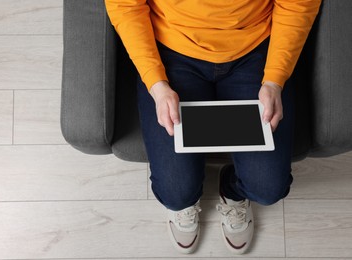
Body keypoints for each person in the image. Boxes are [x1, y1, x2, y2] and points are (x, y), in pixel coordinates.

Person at [105, 0, 321, 254]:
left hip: (254, 47)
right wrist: (156, 83)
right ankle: (189, 194)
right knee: (176, 193)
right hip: (171, 47)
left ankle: (231, 187)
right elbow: (125, 6)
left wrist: (275, 79)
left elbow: (297, 5)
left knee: (268, 188)